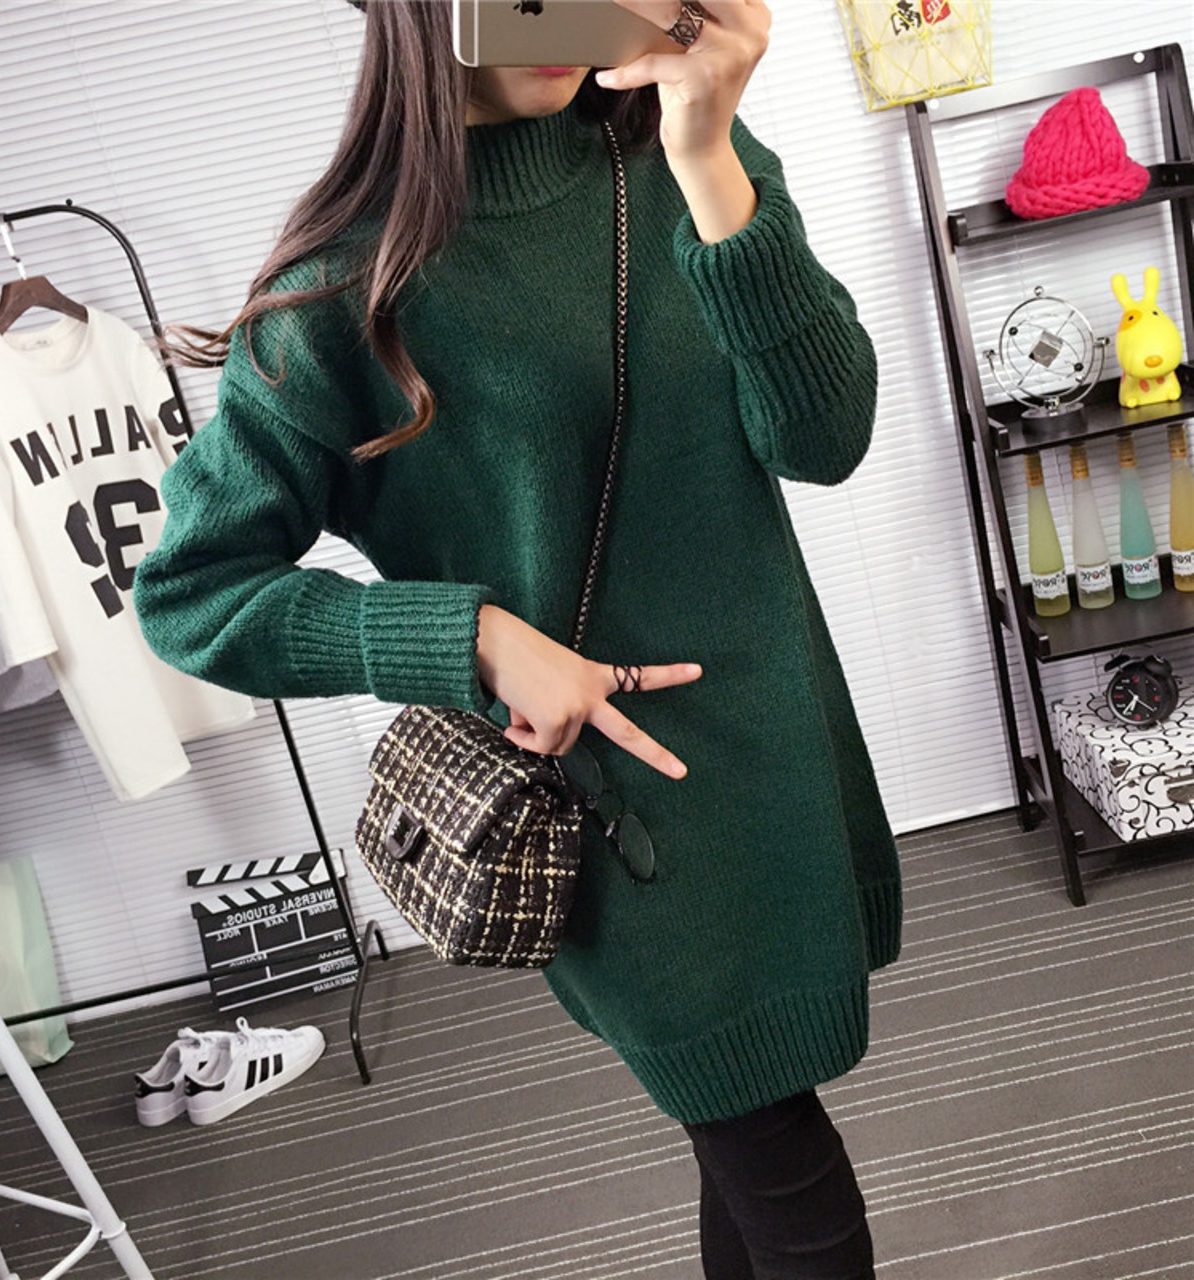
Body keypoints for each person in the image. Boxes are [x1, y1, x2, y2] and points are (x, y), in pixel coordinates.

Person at [134, 2, 902, 1276]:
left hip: (780, 746)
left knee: (739, 1133)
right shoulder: (342, 291)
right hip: (620, 813)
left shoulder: (685, 149)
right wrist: (474, 638)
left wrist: (708, 158)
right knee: (783, 1172)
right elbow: (193, 593)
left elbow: (823, 437)